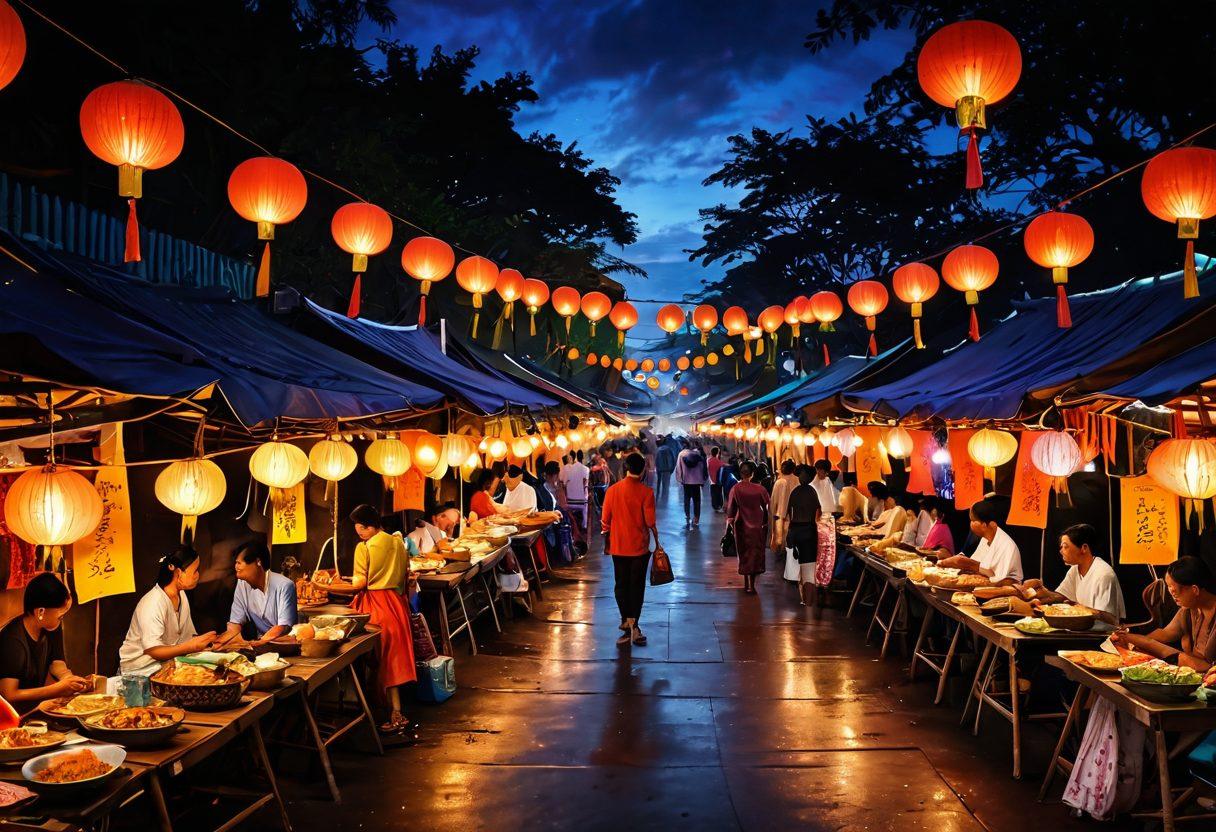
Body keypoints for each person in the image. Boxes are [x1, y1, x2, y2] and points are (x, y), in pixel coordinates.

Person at [342, 505, 417, 733]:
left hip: (375, 606)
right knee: (393, 658)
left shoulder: (363, 548)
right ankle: (395, 710)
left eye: (362, 527)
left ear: (371, 526)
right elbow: (405, 575)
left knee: (377, 658)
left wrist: (328, 586)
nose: (359, 531)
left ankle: (383, 710)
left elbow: (359, 584)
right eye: (357, 527)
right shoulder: (397, 542)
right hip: (397, 605)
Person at [0, 574, 90, 712]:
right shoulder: (12, 640)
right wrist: (57, 689)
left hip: (37, 708)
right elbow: (9, 694)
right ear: (40, 612)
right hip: (11, 716)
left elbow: (57, 662)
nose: (61, 619)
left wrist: (70, 680)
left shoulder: (50, 625)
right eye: (60, 616)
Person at [119, 547, 217, 675]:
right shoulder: (153, 602)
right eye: (194, 571)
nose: (197, 575)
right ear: (178, 572)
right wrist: (190, 647)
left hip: (166, 666)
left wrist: (209, 643)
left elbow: (187, 637)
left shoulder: (181, 596)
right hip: (139, 672)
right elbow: (153, 650)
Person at [1111, 556, 1216, 670]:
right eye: (1169, 587)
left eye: (1174, 590)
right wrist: (1131, 641)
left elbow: (1206, 666)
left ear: (1194, 590)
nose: (1172, 594)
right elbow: (1166, 633)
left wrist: (1141, 641)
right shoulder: (1189, 609)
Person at [600, 452, 659, 647]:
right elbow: (650, 522)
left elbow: (605, 520)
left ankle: (626, 623)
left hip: (618, 546)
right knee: (637, 586)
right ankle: (635, 626)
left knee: (621, 585)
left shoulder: (612, 491)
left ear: (626, 468)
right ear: (642, 470)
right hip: (639, 548)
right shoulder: (646, 492)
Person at [1021, 524, 1126, 626]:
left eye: (1065, 547)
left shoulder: (1104, 574)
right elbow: (1063, 596)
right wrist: (1042, 593)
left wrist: (1078, 608)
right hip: (1081, 629)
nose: (1061, 551)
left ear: (1084, 548)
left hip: (1102, 633)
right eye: (1061, 547)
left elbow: (1111, 619)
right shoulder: (1074, 569)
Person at [219, 541, 298, 645]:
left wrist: (257, 643)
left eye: (239, 563)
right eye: (235, 563)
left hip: (284, 645)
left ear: (258, 562)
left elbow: (283, 627)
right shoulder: (242, 584)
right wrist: (223, 642)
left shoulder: (285, 585)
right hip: (260, 646)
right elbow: (235, 623)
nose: (236, 567)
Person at [937, 498, 1023, 585]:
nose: (970, 524)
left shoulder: (1006, 545)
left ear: (984, 525)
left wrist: (969, 564)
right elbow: (976, 566)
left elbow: (1001, 579)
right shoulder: (984, 539)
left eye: (973, 520)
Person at [726, 461, 770, 594]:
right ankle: (752, 584)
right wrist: (765, 522)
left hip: (741, 525)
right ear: (752, 473)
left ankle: (746, 582)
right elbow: (767, 507)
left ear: (740, 473)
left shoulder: (735, 489)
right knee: (755, 554)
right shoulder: (760, 489)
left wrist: (730, 523)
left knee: (744, 553)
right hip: (757, 525)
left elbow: (730, 509)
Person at [785, 464, 822, 606]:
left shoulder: (795, 492)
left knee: (799, 567)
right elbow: (818, 512)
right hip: (809, 531)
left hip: (795, 531)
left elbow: (789, 514)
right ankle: (809, 600)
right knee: (809, 568)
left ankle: (804, 598)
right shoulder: (812, 492)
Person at [674, 442, 707, 527]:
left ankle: (687, 516)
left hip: (686, 481)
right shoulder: (698, 454)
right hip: (697, 481)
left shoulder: (681, 454)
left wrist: (680, 479)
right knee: (697, 501)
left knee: (687, 499)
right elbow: (702, 467)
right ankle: (696, 519)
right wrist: (702, 480)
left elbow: (678, 467)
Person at [769, 460, 799, 552]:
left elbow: (773, 501)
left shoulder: (779, 482)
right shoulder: (797, 480)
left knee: (780, 538)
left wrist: (772, 513)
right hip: (793, 515)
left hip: (779, 515)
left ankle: (780, 551)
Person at [560, 451, 590, 534]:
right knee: (586, 503)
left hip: (569, 502)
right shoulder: (586, 469)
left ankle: (571, 524)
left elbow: (564, 484)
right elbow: (585, 485)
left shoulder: (569, 469)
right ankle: (584, 525)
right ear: (583, 458)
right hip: (581, 503)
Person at [707, 447, 726, 512]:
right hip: (718, 481)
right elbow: (724, 466)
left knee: (713, 495)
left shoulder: (708, 460)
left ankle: (715, 507)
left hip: (711, 481)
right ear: (717, 453)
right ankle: (719, 507)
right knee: (719, 494)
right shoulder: (718, 461)